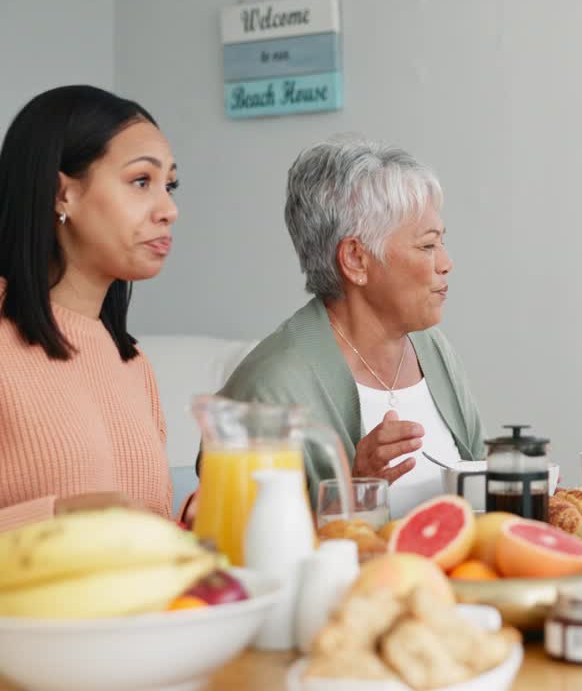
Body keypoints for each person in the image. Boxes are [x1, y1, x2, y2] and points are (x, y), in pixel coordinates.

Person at [201, 138, 484, 519]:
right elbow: (245, 543)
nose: (446, 263)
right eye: (428, 246)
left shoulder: (432, 349)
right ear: (355, 259)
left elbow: (478, 474)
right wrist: (354, 487)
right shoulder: (269, 387)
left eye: (442, 242)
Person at [0, 85, 179, 531]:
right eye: (141, 181)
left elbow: (134, 536)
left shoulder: (131, 362)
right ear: (63, 194)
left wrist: (185, 525)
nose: (169, 209)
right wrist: (62, 516)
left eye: (170, 185)